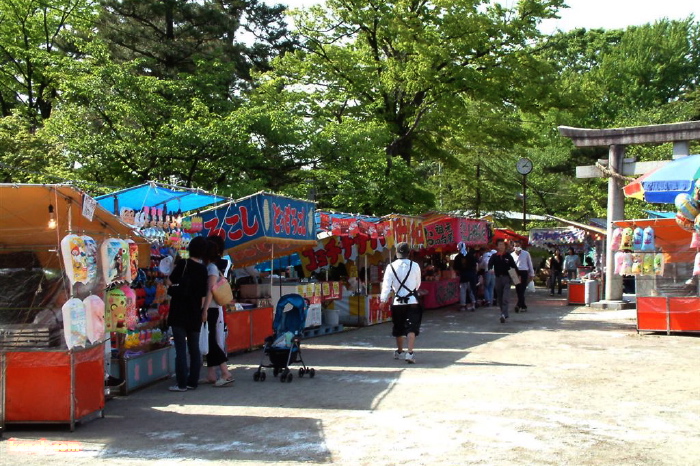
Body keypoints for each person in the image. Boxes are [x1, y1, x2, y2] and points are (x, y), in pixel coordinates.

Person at [167, 236, 209, 392]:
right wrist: (204, 311)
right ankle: (193, 381)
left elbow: (169, 282)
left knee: (180, 349)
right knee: (194, 348)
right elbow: (204, 294)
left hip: (179, 310)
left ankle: (181, 383)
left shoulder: (183, 264)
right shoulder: (203, 269)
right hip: (195, 311)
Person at [200, 236, 235, 387]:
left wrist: (204, 309)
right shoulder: (210, 266)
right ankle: (211, 374)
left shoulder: (211, 268)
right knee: (210, 341)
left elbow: (210, 291)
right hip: (212, 308)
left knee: (211, 342)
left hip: (211, 308)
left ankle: (225, 372)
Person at [380, 242, 422, 363]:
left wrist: (383, 300)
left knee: (398, 327)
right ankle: (410, 353)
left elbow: (386, 286)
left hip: (398, 301)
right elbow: (418, 284)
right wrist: (411, 291)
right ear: (409, 253)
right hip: (412, 300)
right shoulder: (415, 265)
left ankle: (399, 351)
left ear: (397, 253)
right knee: (411, 327)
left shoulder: (390, 267)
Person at [488, 239, 518, 324]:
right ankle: (504, 313)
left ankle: (503, 314)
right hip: (498, 278)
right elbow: (490, 265)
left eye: (502, 245)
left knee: (505, 297)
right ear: (497, 246)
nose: (501, 246)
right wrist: (490, 269)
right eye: (499, 245)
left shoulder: (508, 256)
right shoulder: (494, 256)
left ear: (505, 246)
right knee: (500, 298)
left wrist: (517, 278)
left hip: (507, 278)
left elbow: (514, 266)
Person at [511, 240, 535, 313]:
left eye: (518, 246)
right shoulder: (511, 255)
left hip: (524, 271)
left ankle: (518, 305)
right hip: (514, 272)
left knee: (522, 288)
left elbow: (530, 264)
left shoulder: (526, 253)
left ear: (520, 246)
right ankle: (523, 305)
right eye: (515, 246)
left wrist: (532, 274)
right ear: (513, 247)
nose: (517, 247)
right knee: (518, 289)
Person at [453, 242, 478, 311]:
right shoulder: (471, 256)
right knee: (471, 290)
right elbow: (475, 266)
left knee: (463, 291)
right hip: (471, 275)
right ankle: (473, 304)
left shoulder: (458, 257)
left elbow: (455, 268)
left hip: (463, 276)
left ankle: (463, 305)